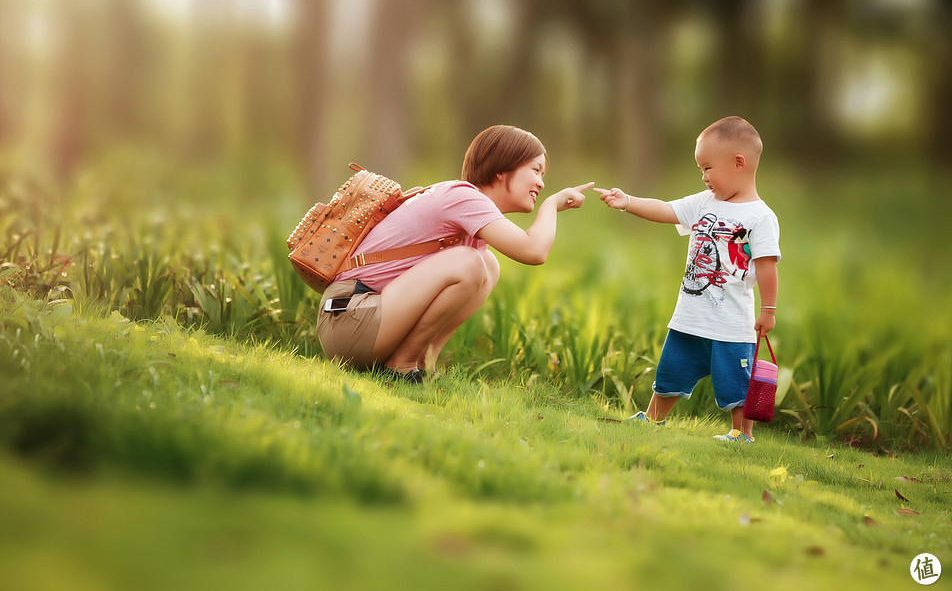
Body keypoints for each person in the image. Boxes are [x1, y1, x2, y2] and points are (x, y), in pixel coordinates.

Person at [318, 125, 593, 383]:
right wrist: (551, 206)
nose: (541, 183)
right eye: (536, 170)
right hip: (348, 318)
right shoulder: (463, 197)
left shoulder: (473, 215)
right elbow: (534, 251)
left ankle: (424, 364)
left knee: (488, 265)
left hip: (367, 322)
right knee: (470, 263)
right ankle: (401, 365)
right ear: (503, 168)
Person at [594, 116, 780, 443]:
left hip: (731, 324)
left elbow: (766, 267)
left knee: (736, 382)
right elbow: (667, 210)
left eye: (708, 168)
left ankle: (742, 433)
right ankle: (653, 419)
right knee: (671, 372)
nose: (704, 176)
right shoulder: (703, 203)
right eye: (701, 170)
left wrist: (769, 309)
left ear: (739, 163)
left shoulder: (760, 217)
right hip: (689, 318)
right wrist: (628, 203)